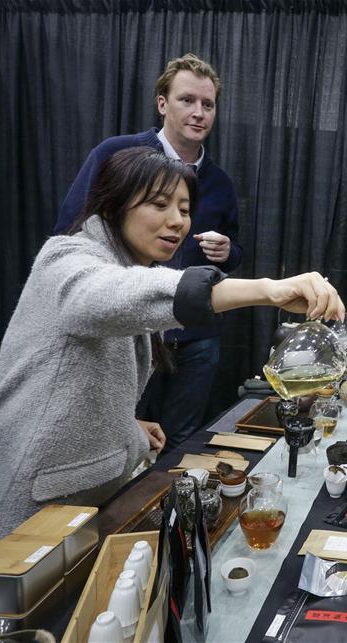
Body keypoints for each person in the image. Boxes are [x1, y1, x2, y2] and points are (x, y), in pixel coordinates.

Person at [0, 148, 344, 547]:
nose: (177, 222)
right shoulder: (66, 258)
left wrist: (125, 426)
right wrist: (267, 290)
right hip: (27, 500)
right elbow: (105, 299)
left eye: (185, 210)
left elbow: (72, 382)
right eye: (159, 204)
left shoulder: (134, 268)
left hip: (85, 506)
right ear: (114, 203)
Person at [55, 53, 241, 451]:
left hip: (197, 336)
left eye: (207, 104)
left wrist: (229, 253)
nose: (198, 112)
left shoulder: (220, 182)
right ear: (162, 103)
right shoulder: (117, 157)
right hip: (128, 330)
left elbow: (236, 251)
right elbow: (71, 230)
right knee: (114, 441)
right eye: (186, 100)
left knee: (181, 443)